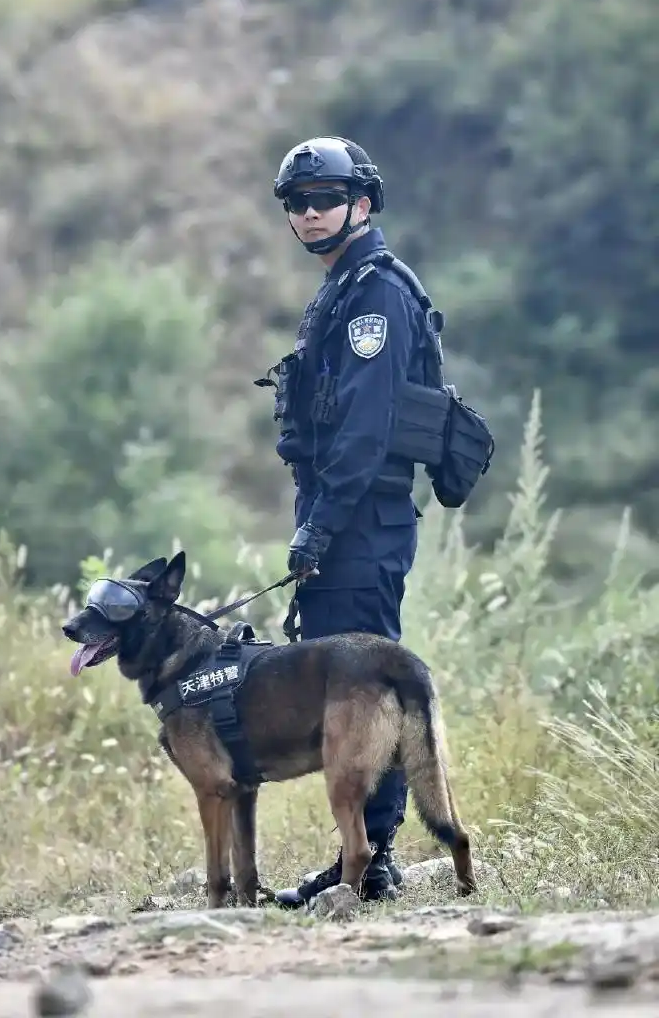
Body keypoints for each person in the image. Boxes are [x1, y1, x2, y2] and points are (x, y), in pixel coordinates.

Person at [257, 135, 432, 908]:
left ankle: (374, 862)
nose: (308, 213)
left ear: (361, 203)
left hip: (363, 518)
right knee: (345, 688)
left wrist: (321, 529)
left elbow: (364, 432)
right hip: (343, 515)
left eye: (324, 198)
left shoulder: (377, 295)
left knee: (363, 693)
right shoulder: (342, 288)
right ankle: (364, 857)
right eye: (296, 202)